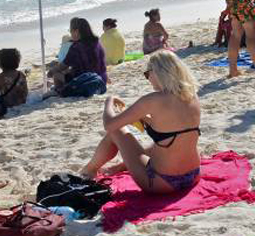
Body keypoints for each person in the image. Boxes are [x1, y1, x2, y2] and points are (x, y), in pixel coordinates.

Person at [79, 51, 202, 194]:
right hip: (193, 175)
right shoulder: (191, 96)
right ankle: (118, 167)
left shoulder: (153, 99)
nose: (148, 79)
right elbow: (171, 128)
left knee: (116, 131)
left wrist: (109, 102)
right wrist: (140, 117)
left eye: (147, 74)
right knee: (163, 144)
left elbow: (109, 125)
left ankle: (89, 171)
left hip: (162, 182)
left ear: (158, 72)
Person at [48, 17, 108, 97]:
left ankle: (59, 91)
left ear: (76, 31)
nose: (71, 34)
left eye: (70, 31)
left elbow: (63, 66)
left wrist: (51, 71)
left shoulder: (76, 47)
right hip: (102, 80)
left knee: (56, 74)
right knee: (68, 71)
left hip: (85, 81)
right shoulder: (97, 42)